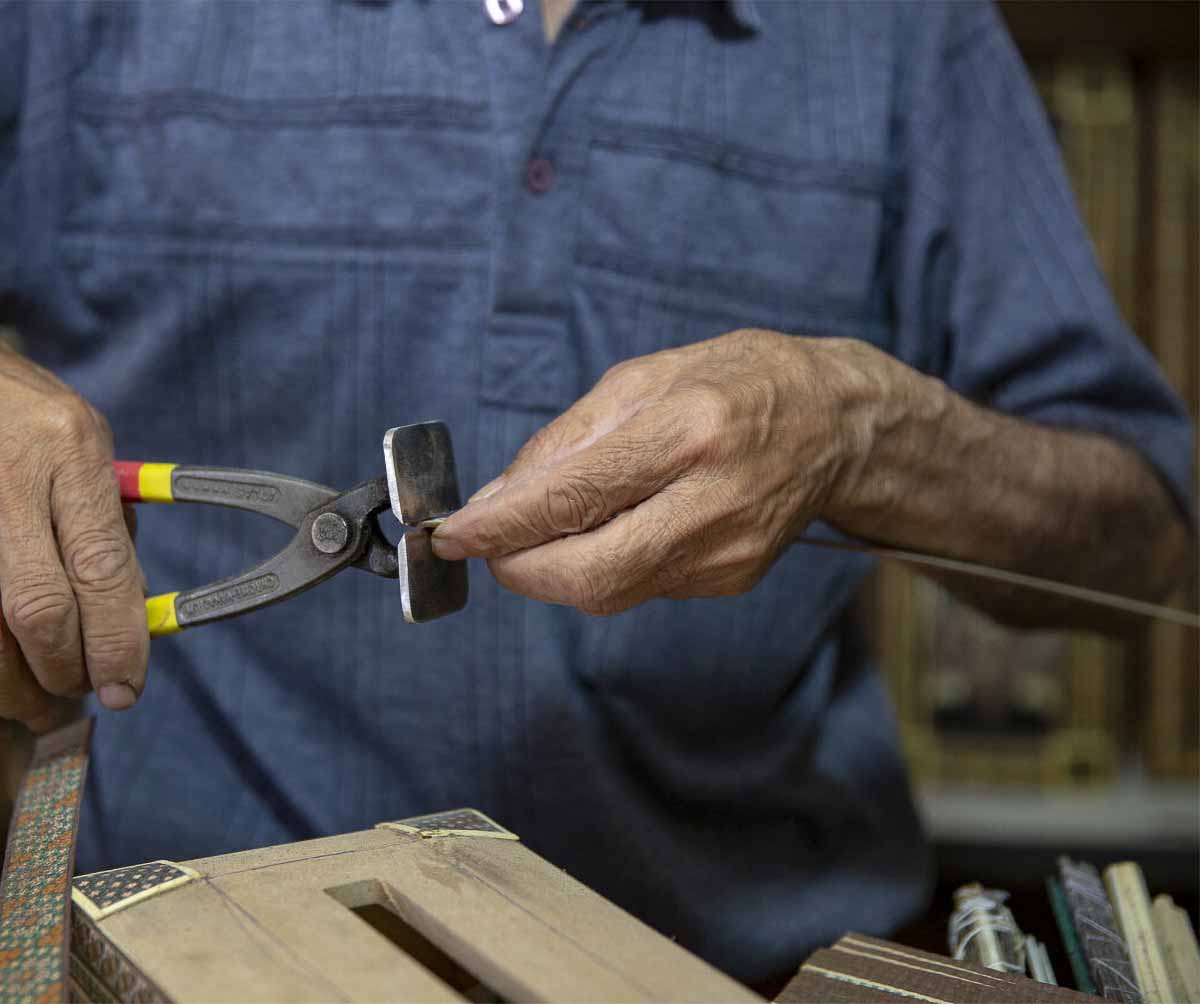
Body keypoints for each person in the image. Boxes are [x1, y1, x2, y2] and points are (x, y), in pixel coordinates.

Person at [0, 0, 1192, 987]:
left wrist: (873, 430)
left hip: (749, 969)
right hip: (184, 955)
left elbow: (1150, 541)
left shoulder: (900, 30)